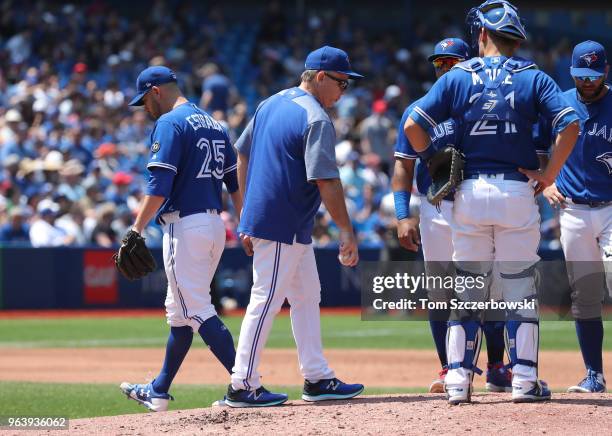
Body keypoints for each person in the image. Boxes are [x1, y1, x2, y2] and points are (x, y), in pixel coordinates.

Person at [404, 0, 579, 404]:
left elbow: (413, 124)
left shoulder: (458, 76)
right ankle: (523, 381)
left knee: (467, 289)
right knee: (519, 289)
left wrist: (434, 162)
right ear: (515, 39)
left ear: (482, 34)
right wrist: (550, 175)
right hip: (517, 190)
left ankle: (457, 381)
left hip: (468, 191)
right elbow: (570, 123)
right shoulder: (534, 76)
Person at [225, 46, 364, 407]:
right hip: (280, 221)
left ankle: (317, 377)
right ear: (320, 77)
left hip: (283, 221)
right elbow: (327, 181)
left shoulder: (270, 103)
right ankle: (242, 383)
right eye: (342, 83)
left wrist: (245, 213)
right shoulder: (316, 118)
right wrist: (346, 231)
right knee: (266, 298)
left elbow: (241, 153)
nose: (343, 91)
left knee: (306, 296)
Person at [392, 37, 512, 394]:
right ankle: (449, 368)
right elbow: (402, 165)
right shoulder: (418, 110)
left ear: (467, 65)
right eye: (438, 63)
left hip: (474, 204)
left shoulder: (481, 107)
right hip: (434, 209)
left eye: (450, 62)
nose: (443, 69)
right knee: (440, 292)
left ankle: (494, 367)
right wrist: (403, 215)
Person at [119, 65, 242, 412]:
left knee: (196, 308)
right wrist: (244, 223)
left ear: (155, 91)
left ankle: (246, 383)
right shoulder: (214, 123)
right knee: (179, 312)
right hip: (213, 224)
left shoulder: (170, 122)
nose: (144, 109)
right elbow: (235, 181)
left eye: (144, 101)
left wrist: (136, 229)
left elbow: (159, 186)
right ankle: (158, 389)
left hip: (184, 226)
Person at [543, 40, 610, 394]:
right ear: (571, 73)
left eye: (594, 75)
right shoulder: (560, 103)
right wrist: (547, 179)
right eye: (581, 75)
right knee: (585, 297)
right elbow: (537, 146)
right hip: (573, 211)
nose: (587, 82)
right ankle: (594, 376)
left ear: (606, 72)